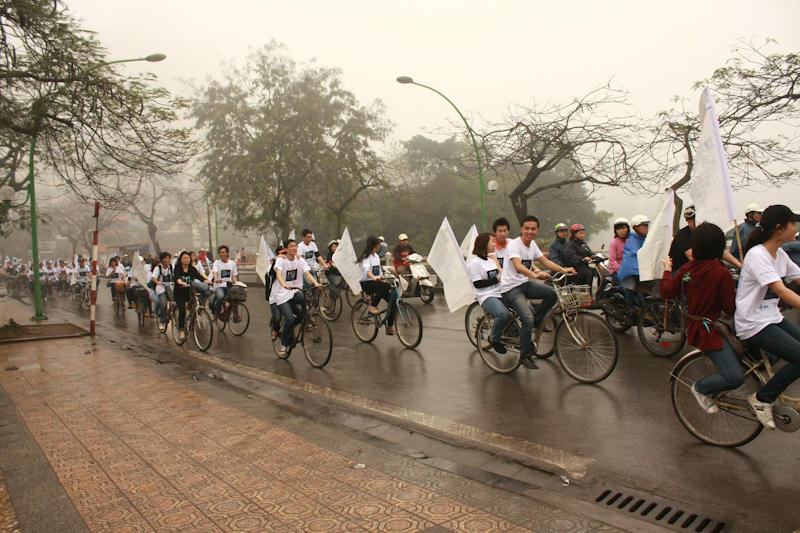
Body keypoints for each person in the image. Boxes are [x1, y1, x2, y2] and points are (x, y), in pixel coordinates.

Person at [660, 222, 741, 414]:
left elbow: (667, 291)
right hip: (712, 331)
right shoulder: (721, 272)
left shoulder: (687, 270)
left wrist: (667, 269)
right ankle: (701, 387)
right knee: (735, 377)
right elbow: (730, 308)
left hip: (698, 327)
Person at [734, 205, 800, 429]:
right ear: (780, 228)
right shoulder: (758, 255)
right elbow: (781, 290)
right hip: (753, 323)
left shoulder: (780, 254)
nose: (796, 227)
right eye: (793, 223)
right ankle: (762, 399)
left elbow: (798, 278)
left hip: (772, 318)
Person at [500, 216, 576, 369]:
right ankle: (525, 355)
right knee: (526, 317)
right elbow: (518, 266)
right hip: (510, 289)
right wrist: (536, 275)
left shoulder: (532, 244)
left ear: (537, 231)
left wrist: (563, 269)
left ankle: (536, 320)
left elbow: (545, 262)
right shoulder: (514, 245)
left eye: (533, 229)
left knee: (552, 293)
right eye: (527, 228)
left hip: (524, 284)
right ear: (521, 229)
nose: (530, 231)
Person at [269, 239, 322, 354]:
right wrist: (284, 285)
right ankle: (284, 344)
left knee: (303, 305)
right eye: (291, 246)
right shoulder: (281, 260)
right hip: (281, 294)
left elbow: (307, 273)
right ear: (286, 249)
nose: (294, 248)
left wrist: (316, 283)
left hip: (294, 291)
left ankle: (289, 327)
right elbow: (278, 274)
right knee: (290, 318)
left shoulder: (299, 259)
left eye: (295, 246)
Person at [670, 205, 742, 273]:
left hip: (702, 266)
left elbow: (720, 251)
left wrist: (739, 265)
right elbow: (692, 256)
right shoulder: (682, 235)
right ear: (689, 222)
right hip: (681, 270)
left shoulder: (706, 233)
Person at [469, 232, 509, 354]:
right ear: (484, 244)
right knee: (503, 314)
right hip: (487, 296)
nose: (494, 244)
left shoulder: (491, 260)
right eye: (492, 241)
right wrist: (496, 279)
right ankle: (494, 338)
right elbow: (478, 284)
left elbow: (502, 275)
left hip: (499, 293)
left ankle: (512, 335)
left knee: (522, 308)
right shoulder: (475, 263)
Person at [358, 236, 397, 335]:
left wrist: (382, 277)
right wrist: (374, 278)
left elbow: (379, 271)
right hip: (366, 283)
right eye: (379, 244)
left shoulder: (377, 257)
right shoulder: (366, 257)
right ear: (376, 245)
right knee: (385, 287)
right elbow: (367, 271)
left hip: (375, 282)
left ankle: (389, 327)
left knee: (393, 301)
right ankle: (372, 306)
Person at [617, 214, 650, 308]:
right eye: (644, 225)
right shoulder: (632, 241)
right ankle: (630, 306)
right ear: (636, 227)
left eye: (647, 225)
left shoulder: (644, 239)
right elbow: (640, 254)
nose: (646, 227)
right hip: (632, 273)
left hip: (641, 271)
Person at [173, 251, 207, 340]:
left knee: (195, 304)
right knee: (182, 311)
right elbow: (176, 277)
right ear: (180, 260)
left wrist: (207, 281)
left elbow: (199, 277)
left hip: (189, 293)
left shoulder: (192, 269)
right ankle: (181, 331)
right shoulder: (177, 268)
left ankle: (192, 319)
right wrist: (180, 282)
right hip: (179, 293)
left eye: (188, 258)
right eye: (184, 258)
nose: (186, 259)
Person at [209, 245, 239, 318]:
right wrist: (216, 279)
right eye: (220, 253)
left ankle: (236, 315)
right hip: (219, 286)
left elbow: (233, 276)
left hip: (228, 285)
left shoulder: (232, 263)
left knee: (235, 298)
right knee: (221, 297)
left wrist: (236, 283)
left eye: (223, 252)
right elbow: (215, 272)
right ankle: (217, 312)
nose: (221, 254)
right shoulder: (216, 263)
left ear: (227, 253)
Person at [151, 252, 173, 326]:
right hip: (161, 289)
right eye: (165, 258)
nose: (167, 260)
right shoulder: (158, 268)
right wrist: (157, 282)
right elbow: (153, 277)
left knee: (176, 302)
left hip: (170, 288)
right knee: (163, 303)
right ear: (161, 260)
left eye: (168, 258)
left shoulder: (172, 267)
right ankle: (162, 320)